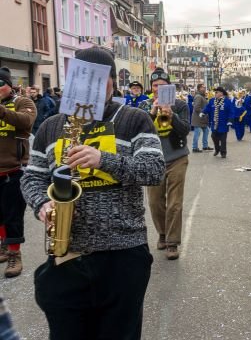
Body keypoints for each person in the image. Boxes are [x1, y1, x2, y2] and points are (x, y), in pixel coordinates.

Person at [21, 47, 165, 339]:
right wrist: (42, 205)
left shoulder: (134, 119)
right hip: (68, 254)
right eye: (82, 79)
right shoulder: (51, 126)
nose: (90, 87)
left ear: (112, 81)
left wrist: (104, 160)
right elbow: (33, 177)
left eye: (98, 79)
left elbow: (154, 170)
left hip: (123, 255)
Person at [139, 68, 190, 260]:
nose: (158, 89)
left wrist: (172, 114)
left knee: (175, 203)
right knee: (155, 202)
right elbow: (140, 132)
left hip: (177, 158)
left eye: (162, 86)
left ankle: (172, 242)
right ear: (151, 88)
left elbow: (185, 130)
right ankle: (162, 233)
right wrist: (152, 113)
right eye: (155, 86)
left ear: (168, 87)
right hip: (153, 160)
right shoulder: (143, 106)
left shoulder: (180, 104)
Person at [0, 67, 36, 278]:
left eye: (0, 84)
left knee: (13, 215)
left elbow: (26, 122)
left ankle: (15, 254)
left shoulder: (23, 102)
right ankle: (4, 247)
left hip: (14, 169)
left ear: (9, 85)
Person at [203, 87, 234, 158]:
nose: (215, 94)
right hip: (214, 123)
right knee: (213, 136)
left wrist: (230, 120)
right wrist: (203, 112)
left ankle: (223, 152)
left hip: (223, 123)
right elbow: (208, 108)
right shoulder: (212, 100)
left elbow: (231, 111)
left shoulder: (227, 101)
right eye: (215, 92)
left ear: (221, 93)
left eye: (217, 92)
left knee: (223, 139)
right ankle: (217, 149)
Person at [191, 83, 212, 153]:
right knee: (197, 133)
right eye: (203, 87)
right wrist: (203, 113)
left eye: (205, 87)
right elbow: (196, 107)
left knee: (206, 131)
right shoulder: (198, 96)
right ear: (199, 88)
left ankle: (205, 146)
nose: (205, 88)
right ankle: (195, 147)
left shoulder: (202, 96)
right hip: (198, 118)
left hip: (202, 119)